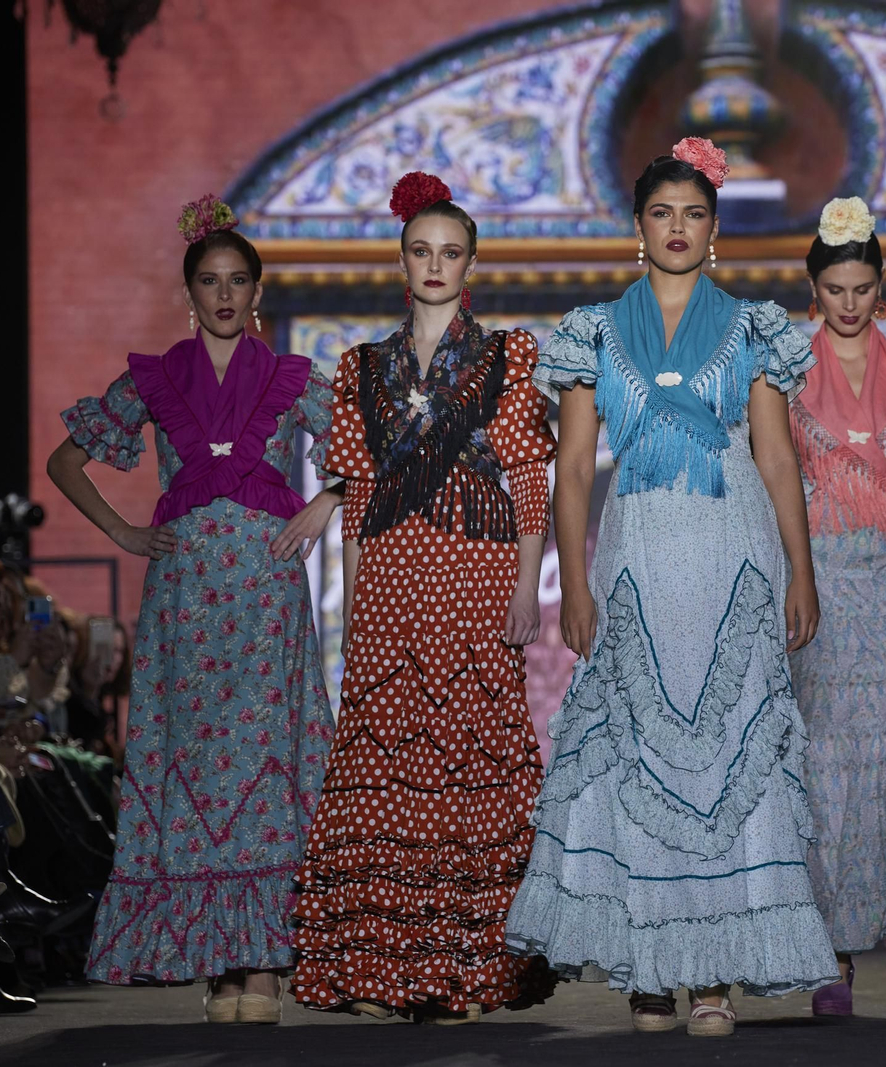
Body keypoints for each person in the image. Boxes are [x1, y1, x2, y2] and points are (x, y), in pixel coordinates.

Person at [504, 139, 837, 1038]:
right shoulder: (592, 333)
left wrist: (800, 570)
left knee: (731, 750)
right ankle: (653, 966)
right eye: (662, 213)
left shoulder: (753, 327)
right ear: (639, 227)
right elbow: (573, 470)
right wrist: (569, 581)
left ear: (715, 228)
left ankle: (714, 975)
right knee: (636, 756)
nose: (678, 228)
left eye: (694, 214)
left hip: (733, 551)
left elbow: (775, 457)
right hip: (638, 549)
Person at [46, 195, 340, 1023]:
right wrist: (123, 532)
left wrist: (325, 504)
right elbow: (67, 460)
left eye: (238, 280)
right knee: (199, 770)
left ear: (257, 293)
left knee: (264, 768)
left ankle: (264, 963)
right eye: (209, 280)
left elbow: (372, 447)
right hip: (185, 604)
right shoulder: (155, 378)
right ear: (189, 292)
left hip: (265, 599)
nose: (223, 294)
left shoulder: (292, 380)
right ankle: (218, 957)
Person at [290, 173, 557, 1024]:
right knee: (385, 761)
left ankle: (467, 972)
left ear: (470, 261)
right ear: (402, 259)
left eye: (450, 251)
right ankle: (375, 969)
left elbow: (526, 479)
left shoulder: (510, 354)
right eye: (421, 250)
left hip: (479, 574)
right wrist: (356, 605)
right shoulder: (359, 367)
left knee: (470, 757)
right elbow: (359, 496)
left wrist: (526, 585)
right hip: (394, 579)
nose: (435, 264)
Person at [785, 196, 886, 1015]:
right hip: (816, 574)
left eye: (863, 287)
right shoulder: (783, 369)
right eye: (835, 288)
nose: (849, 302)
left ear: (879, 288)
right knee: (826, 763)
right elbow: (769, 477)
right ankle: (832, 950)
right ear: (816, 290)